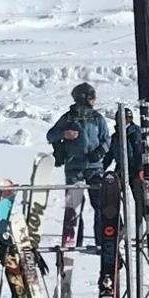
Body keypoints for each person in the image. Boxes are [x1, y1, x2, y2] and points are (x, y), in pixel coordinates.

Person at [46, 83, 116, 246]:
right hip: (74, 167)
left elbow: (107, 139)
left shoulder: (97, 118)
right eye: (91, 96)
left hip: (94, 167)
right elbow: (50, 135)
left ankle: (102, 241)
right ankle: (74, 242)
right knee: (74, 206)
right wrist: (64, 134)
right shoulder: (69, 118)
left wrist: (100, 152)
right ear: (82, 98)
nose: (94, 100)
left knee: (100, 205)